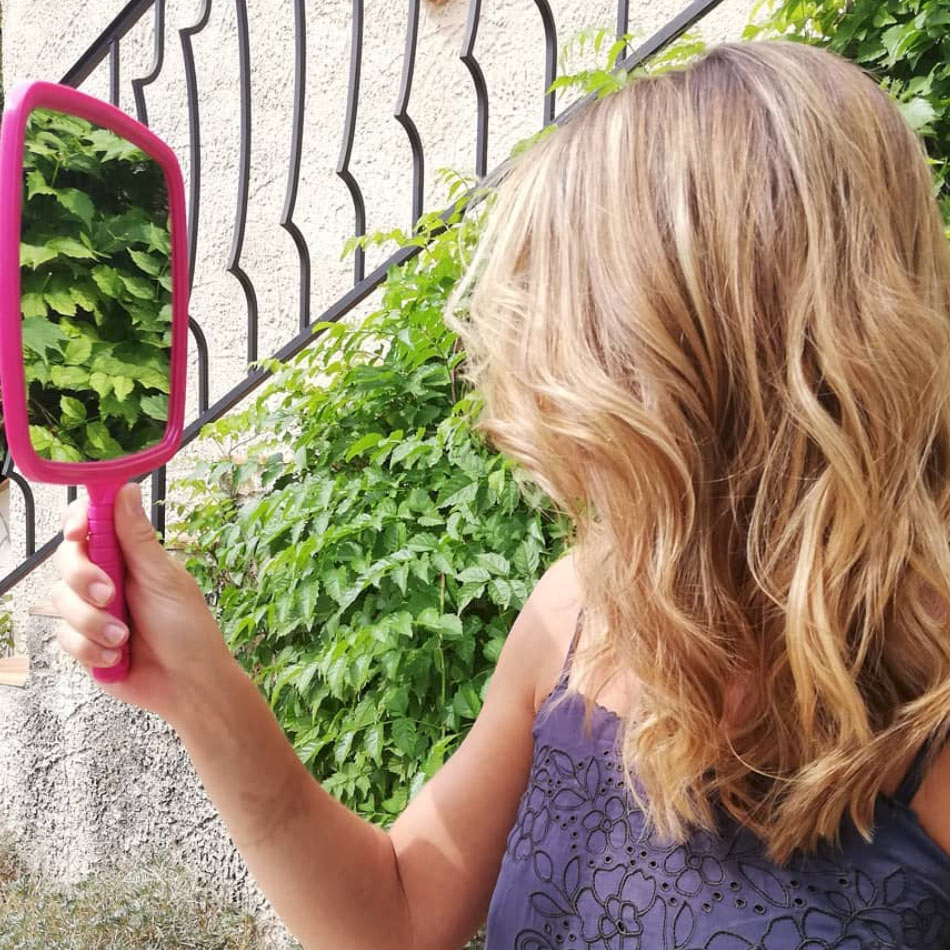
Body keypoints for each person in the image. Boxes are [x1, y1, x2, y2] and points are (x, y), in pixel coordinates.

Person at [51, 39, 950, 949]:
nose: (533, 421)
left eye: (585, 353)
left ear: (717, 372)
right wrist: (201, 682)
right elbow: (396, 916)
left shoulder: (932, 712)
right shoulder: (581, 615)